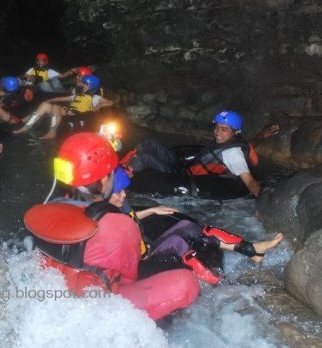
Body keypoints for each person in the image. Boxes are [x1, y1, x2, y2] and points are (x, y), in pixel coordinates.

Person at [26, 132, 200, 320]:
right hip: (98, 310)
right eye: (110, 174)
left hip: (56, 296)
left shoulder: (46, 209)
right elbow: (129, 277)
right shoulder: (119, 226)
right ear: (103, 181)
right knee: (187, 283)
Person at [106, 166, 284, 284]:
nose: (123, 195)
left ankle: (252, 249)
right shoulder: (103, 217)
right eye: (118, 192)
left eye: (123, 190)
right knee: (181, 243)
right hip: (141, 266)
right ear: (105, 194)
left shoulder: (117, 206)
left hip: (147, 250)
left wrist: (153, 210)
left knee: (188, 226)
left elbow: (130, 218)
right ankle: (224, 287)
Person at [122, 110, 279, 197]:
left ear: (234, 132)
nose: (217, 132)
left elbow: (249, 181)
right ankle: (124, 162)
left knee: (145, 158)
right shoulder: (235, 141)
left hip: (183, 177)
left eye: (223, 129)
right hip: (187, 166)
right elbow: (251, 144)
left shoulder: (232, 154)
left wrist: (264, 198)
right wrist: (263, 135)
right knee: (150, 143)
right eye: (217, 127)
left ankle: (120, 176)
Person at [14, 75, 113, 139]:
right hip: (67, 113)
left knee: (56, 108)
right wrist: (48, 100)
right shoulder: (77, 95)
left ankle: (52, 132)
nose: (82, 85)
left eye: (84, 84)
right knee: (45, 105)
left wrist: (99, 106)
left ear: (90, 85)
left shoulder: (94, 97)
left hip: (76, 116)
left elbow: (110, 102)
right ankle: (26, 127)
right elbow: (61, 99)